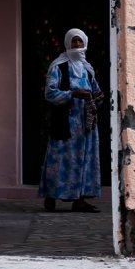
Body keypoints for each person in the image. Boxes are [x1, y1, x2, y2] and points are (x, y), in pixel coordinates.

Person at [39, 28, 103, 212]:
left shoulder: (88, 69)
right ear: (67, 43)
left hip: (85, 125)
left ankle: (80, 200)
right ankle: (51, 196)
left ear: (85, 43)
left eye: (79, 41)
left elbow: (96, 91)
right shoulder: (58, 67)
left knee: (84, 161)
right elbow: (50, 93)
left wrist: (98, 97)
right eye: (73, 41)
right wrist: (73, 93)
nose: (76, 45)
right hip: (66, 122)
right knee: (58, 160)